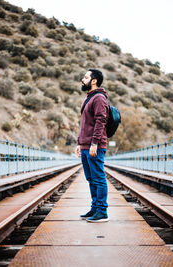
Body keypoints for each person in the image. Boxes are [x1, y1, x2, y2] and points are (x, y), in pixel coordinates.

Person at [75, 68, 109, 223]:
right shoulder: (89, 98)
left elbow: (101, 120)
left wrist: (94, 143)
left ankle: (102, 211)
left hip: (94, 145)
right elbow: (85, 124)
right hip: (85, 145)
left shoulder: (99, 98)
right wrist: (79, 143)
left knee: (98, 178)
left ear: (93, 80)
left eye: (86, 77)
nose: (83, 79)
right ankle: (95, 208)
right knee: (91, 178)